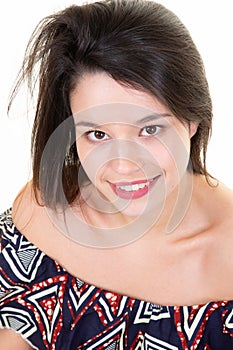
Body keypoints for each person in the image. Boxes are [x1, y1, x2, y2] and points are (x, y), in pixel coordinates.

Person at [0, 0, 233, 348]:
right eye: (97, 134)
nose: (124, 165)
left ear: (192, 119)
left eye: (150, 129)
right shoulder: (43, 212)